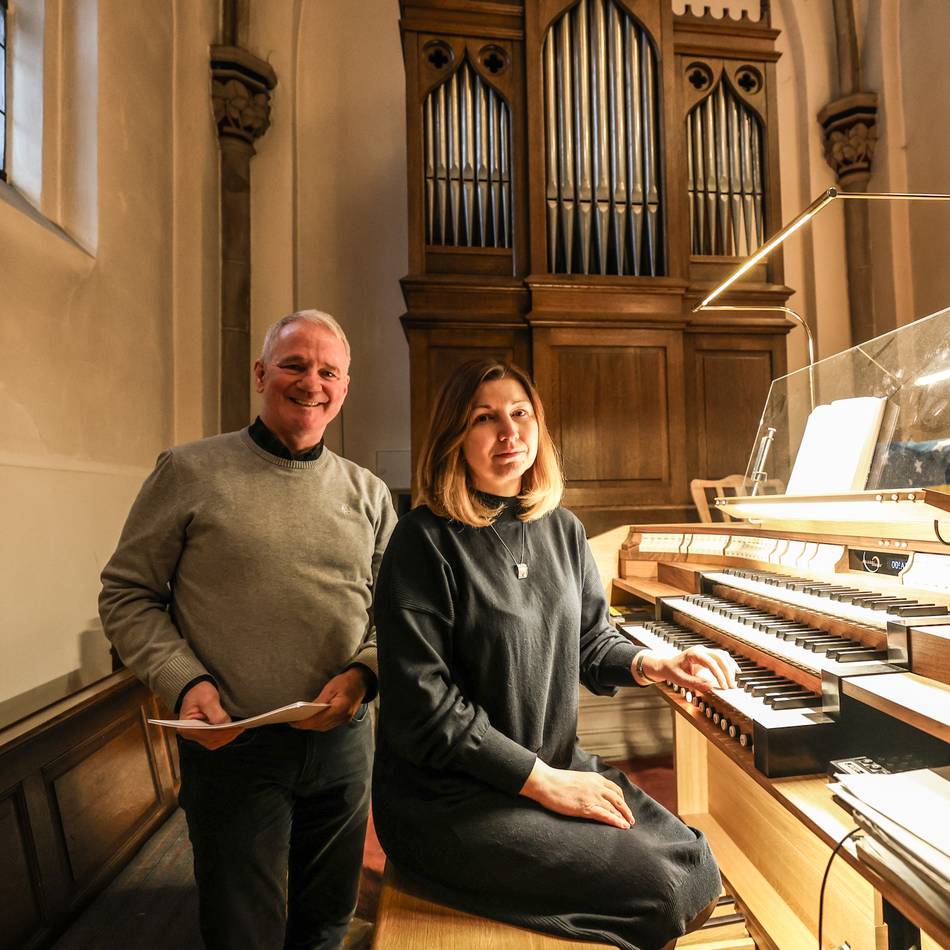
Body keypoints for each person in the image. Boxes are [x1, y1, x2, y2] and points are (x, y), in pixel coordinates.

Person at [372, 359, 738, 950]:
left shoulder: (562, 529)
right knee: (661, 891)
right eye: (484, 419)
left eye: (521, 415)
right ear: (454, 439)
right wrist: (542, 782)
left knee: (696, 865)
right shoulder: (422, 541)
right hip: (452, 799)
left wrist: (653, 663)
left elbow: (591, 640)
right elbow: (427, 713)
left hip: (553, 765)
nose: (509, 434)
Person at [99, 310, 397, 950]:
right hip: (230, 745)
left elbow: (397, 617)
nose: (310, 382)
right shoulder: (189, 471)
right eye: (294, 364)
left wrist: (364, 673)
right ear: (261, 373)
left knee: (326, 922)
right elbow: (128, 594)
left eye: (328, 371)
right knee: (244, 934)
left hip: (342, 743)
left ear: (345, 389)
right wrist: (184, 682)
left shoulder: (369, 493)